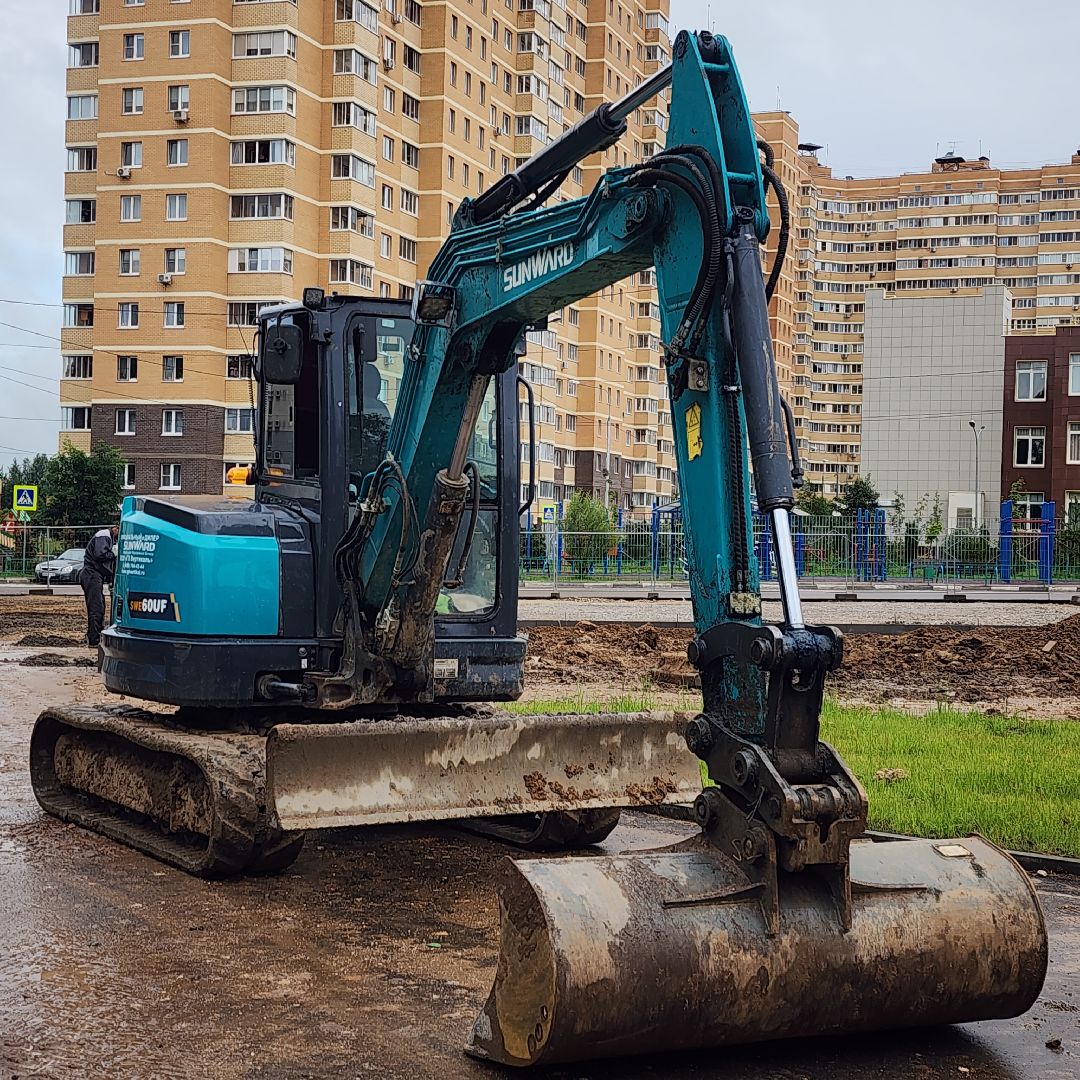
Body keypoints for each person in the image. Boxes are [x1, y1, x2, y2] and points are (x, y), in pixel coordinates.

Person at [82, 525, 119, 647]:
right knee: (96, 608)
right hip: (91, 574)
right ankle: (94, 640)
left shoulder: (108, 536)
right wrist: (113, 554)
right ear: (116, 528)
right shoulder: (104, 535)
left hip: (94, 575)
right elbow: (100, 554)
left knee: (98, 607)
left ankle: (94, 636)